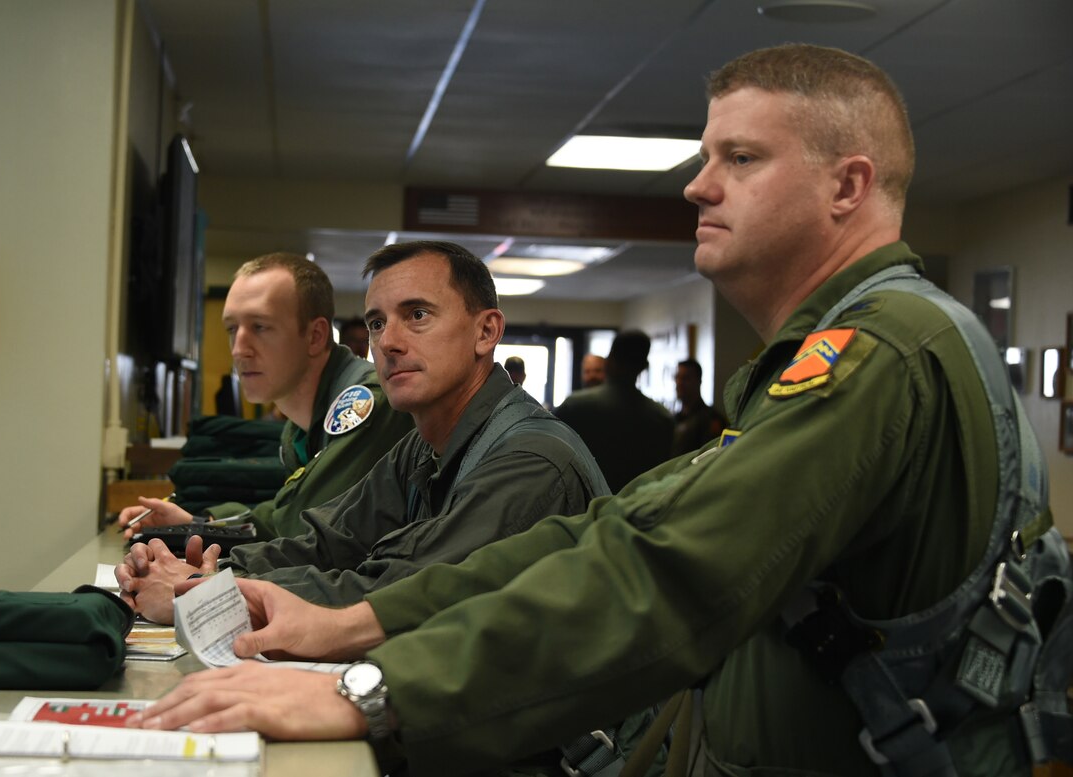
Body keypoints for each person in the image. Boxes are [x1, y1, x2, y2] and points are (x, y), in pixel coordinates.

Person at [129, 45, 1065, 777]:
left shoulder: (879, 353)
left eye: (739, 158)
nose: (698, 185)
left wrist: (373, 691)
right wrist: (351, 628)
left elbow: (670, 575)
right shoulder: (847, 351)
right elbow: (616, 530)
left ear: (848, 186)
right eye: (706, 158)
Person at [116, 240, 609, 624]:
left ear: (486, 332)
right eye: (377, 323)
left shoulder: (531, 462)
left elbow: (393, 593)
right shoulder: (424, 443)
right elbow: (328, 542)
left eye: (417, 315)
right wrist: (211, 572)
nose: (388, 342)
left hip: (546, 753)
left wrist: (203, 595)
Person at [116, 254, 412, 546]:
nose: (238, 350)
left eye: (260, 327)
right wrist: (197, 523)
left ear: (315, 336)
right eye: (232, 329)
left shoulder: (365, 403)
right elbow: (287, 512)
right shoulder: (298, 425)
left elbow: (302, 528)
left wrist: (200, 532)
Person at [555, 330, 674, 492]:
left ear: (609, 362)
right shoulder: (661, 418)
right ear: (644, 367)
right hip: (636, 508)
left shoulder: (576, 407)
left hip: (585, 509)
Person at [670, 359, 727, 456]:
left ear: (698, 381)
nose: (679, 383)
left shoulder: (711, 420)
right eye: (677, 377)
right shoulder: (674, 419)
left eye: (685, 378)